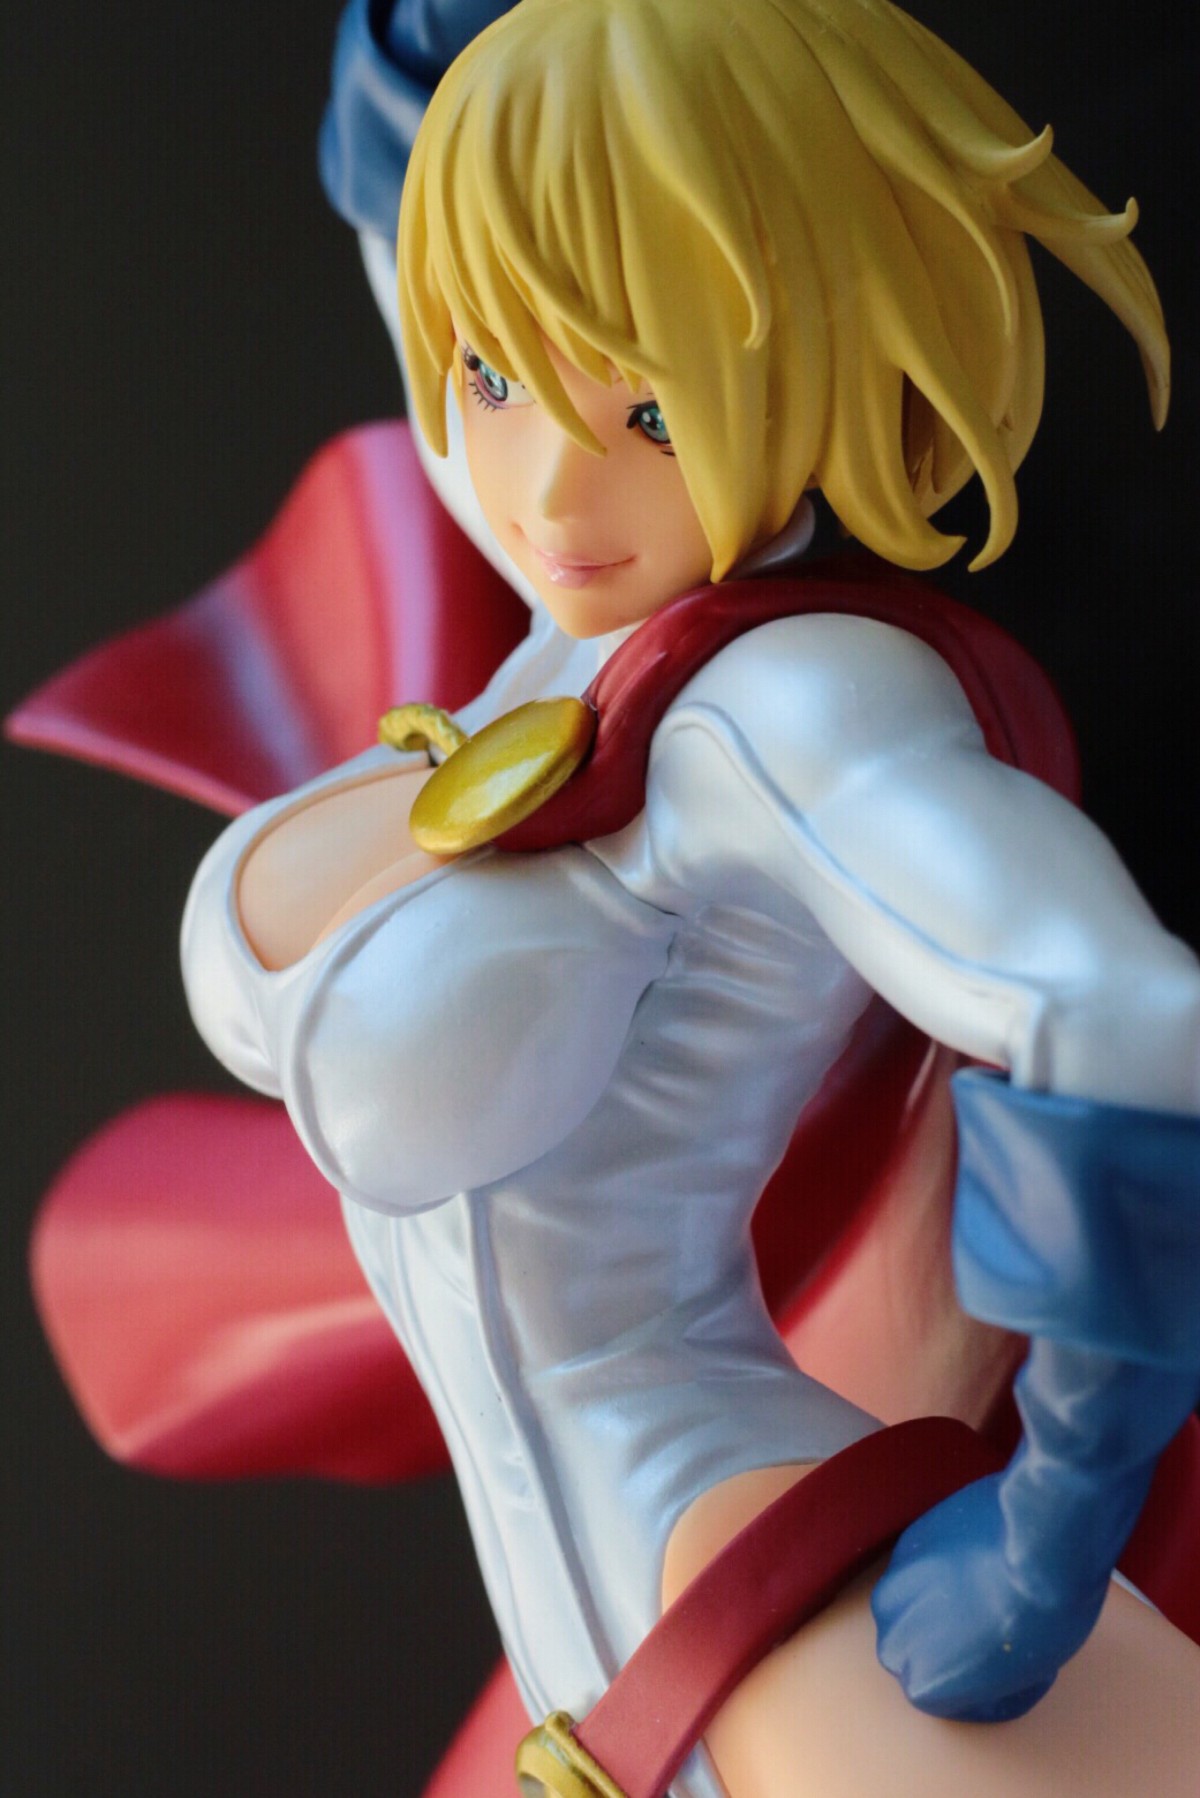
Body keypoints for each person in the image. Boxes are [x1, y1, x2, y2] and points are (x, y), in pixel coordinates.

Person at [181, 1, 1200, 1791]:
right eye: (493, 377)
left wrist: (1056, 1525)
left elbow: (1124, 1006)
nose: (551, 489)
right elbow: (423, 187)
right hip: (608, 1668)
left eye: (650, 409)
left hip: (770, 1595)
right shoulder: (556, 632)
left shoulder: (781, 705)